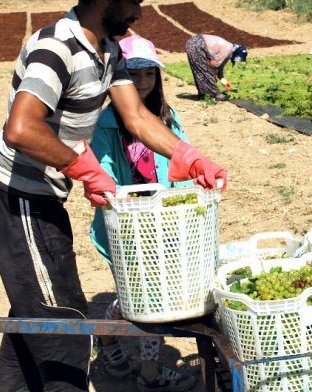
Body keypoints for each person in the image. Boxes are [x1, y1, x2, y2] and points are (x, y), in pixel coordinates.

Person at [0, 0, 226, 392]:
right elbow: (21, 128)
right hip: (18, 203)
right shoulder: (56, 48)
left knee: (32, 310)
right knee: (63, 328)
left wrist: (188, 156)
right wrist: (84, 168)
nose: (140, 9)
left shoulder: (107, 49)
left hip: (45, 199)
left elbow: (136, 116)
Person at [89, 34, 195, 392]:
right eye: (134, 75)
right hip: (124, 225)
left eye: (149, 73)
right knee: (140, 295)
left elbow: (178, 162)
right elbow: (103, 168)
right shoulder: (105, 124)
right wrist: (116, 196)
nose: (143, 82)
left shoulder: (167, 116)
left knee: (153, 296)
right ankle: (110, 344)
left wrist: (185, 201)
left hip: (162, 222)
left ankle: (136, 362)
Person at [185, 34, 247, 101]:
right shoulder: (227, 50)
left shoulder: (229, 49)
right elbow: (213, 64)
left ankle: (204, 94)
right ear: (236, 53)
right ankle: (216, 94)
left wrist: (224, 82)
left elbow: (220, 67)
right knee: (207, 70)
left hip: (193, 43)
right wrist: (212, 76)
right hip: (197, 44)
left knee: (200, 71)